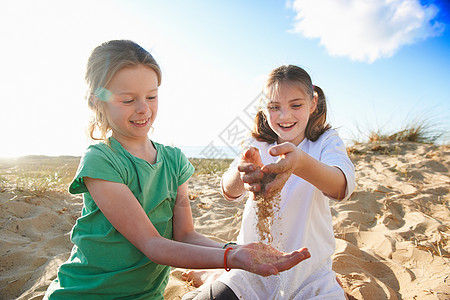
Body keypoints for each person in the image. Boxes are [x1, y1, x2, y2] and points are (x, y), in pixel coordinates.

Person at [43, 41, 311, 299]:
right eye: (127, 100)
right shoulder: (101, 160)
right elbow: (152, 244)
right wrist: (232, 257)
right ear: (97, 101)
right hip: (85, 293)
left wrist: (238, 249)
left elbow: (185, 235)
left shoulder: (173, 160)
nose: (143, 108)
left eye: (151, 96)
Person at [182, 65, 355, 299]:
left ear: (313, 103)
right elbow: (228, 190)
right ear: (264, 109)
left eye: (296, 105)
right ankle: (214, 277)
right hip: (252, 268)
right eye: (274, 107)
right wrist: (241, 175)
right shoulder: (259, 143)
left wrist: (300, 163)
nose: (284, 116)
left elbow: (341, 187)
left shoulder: (325, 141)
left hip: (309, 274)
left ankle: (212, 276)